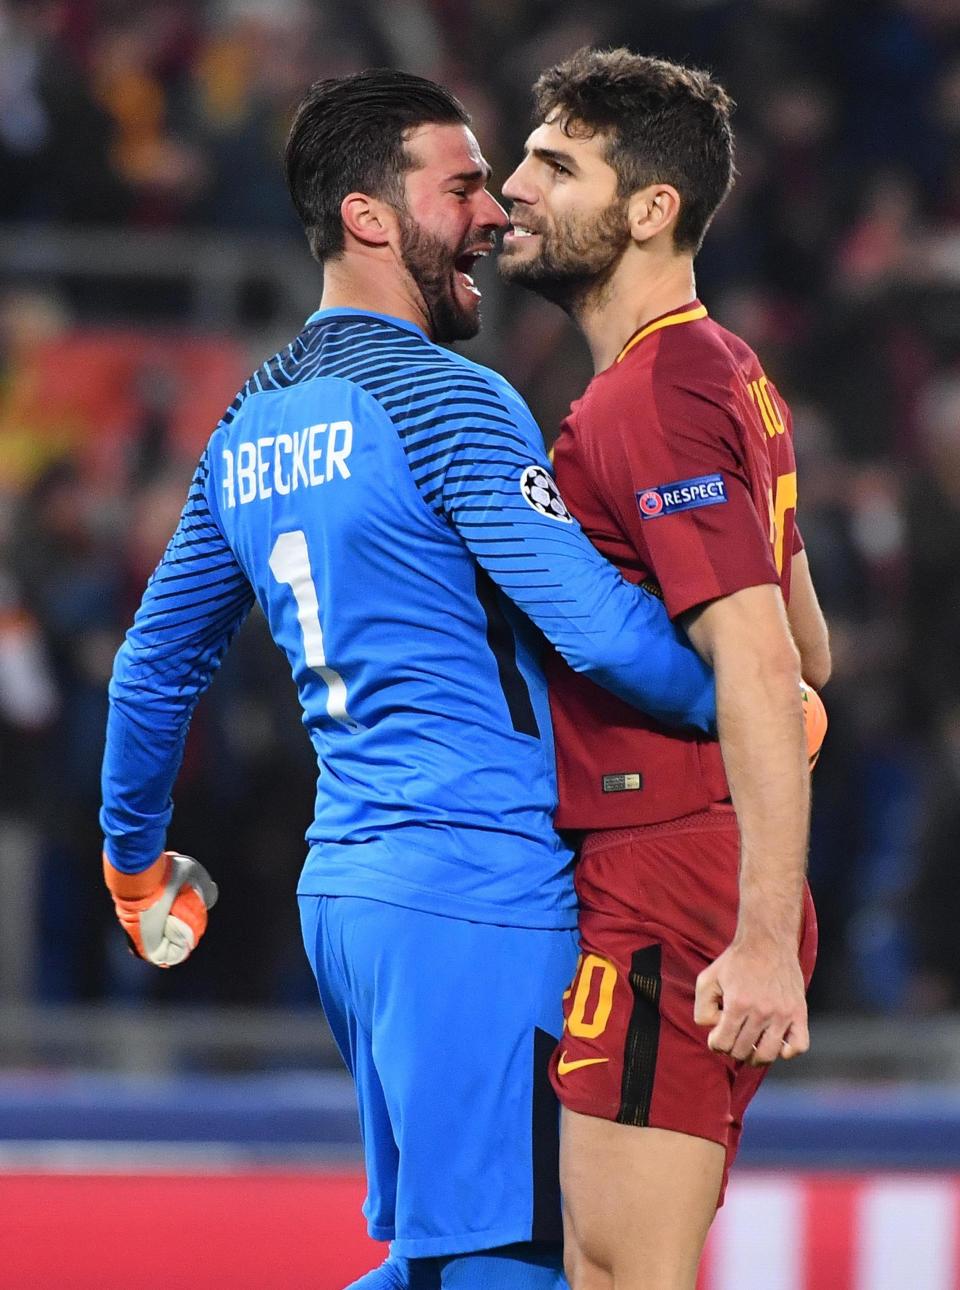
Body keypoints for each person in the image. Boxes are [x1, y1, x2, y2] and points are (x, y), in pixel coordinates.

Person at [98, 69, 717, 1290]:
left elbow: (150, 669)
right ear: (372, 217)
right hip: (476, 891)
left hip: (355, 902)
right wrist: (749, 704)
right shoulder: (444, 400)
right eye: (464, 184)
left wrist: (134, 863)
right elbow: (594, 627)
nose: (496, 211)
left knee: (465, 1252)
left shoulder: (246, 424)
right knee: (519, 1261)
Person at [499, 48, 831, 1290]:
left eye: (556, 164)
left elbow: (760, 667)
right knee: (608, 1264)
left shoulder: (653, 396)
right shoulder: (726, 370)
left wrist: (754, 939)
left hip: (676, 876)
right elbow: (811, 654)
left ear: (652, 209)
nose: (517, 187)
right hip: (690, 864)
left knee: (625, 1271)